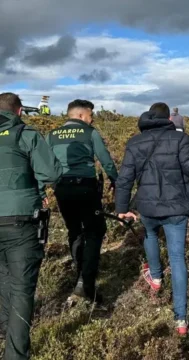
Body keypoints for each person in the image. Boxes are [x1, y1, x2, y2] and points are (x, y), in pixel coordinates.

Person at [115, 102, 189, 335]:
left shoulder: (135, 142)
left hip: (147, 207)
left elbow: (124, 179)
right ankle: (181, 320)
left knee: (150, 235)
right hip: (177, 208)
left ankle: (155, 277)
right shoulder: (180, 139)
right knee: (177, 259)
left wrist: (121, 208)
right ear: (168, 118)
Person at [0, 92, 62, 359]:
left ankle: (6, 331)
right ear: (20, 112)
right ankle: (14, 354)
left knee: (3, 282)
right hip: (20, 221)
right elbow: (51, 173)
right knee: (22, 289)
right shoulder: (26, 134)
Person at [46, 99, 118, 302]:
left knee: (75, 231)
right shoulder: (89, 132)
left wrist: (52, 186)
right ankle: (86, 282)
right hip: (85, 187)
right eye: (90, 115)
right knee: (95, 231)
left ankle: (79, 275)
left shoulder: (51, 135)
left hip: (62, 189)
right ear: (80, 115)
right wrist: (116, 181)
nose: (92, 118)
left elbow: (43, 163)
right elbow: (105, 160)